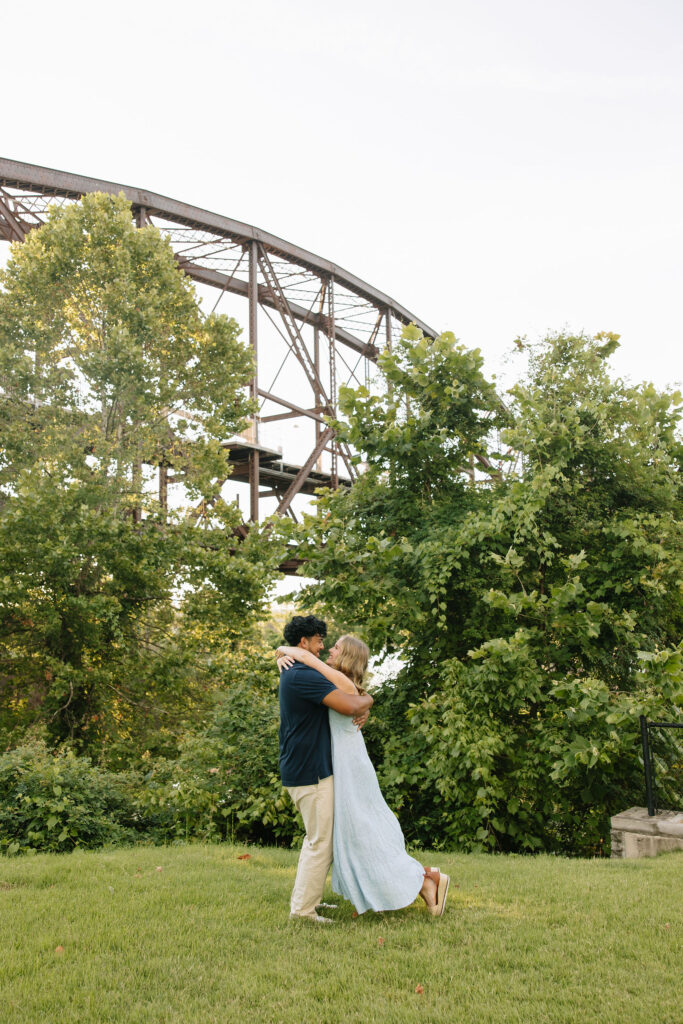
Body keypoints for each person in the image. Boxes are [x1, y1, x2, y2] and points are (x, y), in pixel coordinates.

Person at [277, 630, 449, 918]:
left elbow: (354, 698)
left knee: (364, 835)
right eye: (326, 645)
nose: (329, 650)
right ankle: (424, 878)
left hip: (351, 771)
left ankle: (424, 879)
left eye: (335, 648)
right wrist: (283, 652)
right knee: (356, 837)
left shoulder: (341, 685)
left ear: (347, 656)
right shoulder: (329, 682)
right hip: (341, 769)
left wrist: (301, 654)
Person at [278, 615, 373, 923]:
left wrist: (283, 651)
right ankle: (303, 910)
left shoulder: (297, 668)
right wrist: (367, 701)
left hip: (307, 768)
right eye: (319, 640)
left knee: (318, 840)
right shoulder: (302, 673)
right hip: (310, 771)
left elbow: (352, 700)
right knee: (320, 842)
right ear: (303, 642)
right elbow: (350, 704)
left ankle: (308, 902)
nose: (322, 646)